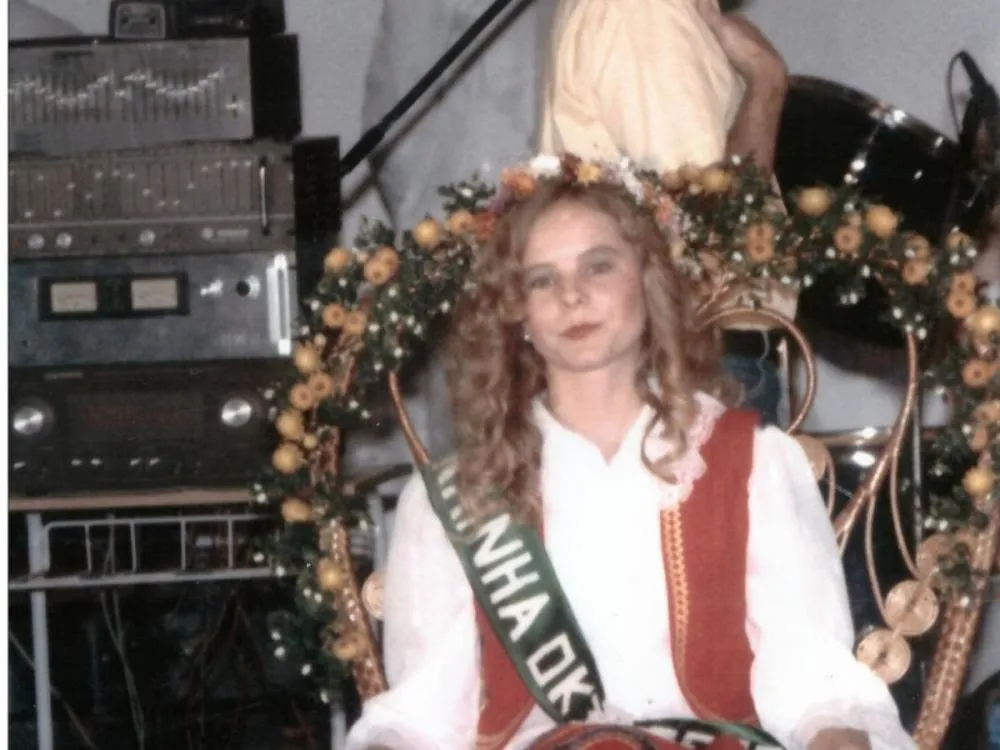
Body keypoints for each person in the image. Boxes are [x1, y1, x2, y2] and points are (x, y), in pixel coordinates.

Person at [345, 159, 916, 750]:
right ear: (517, 315)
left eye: (598, 266)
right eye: (541, 279)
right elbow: (424, 716)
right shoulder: (461, 494)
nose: (572, 296)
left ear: (647, 281)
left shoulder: (749, 464)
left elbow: (812, 682)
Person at [538, 0, 795, 425]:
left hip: (674, 357)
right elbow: (714, 217)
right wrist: (768, 79)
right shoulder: (645, 12)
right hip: (696, 360)